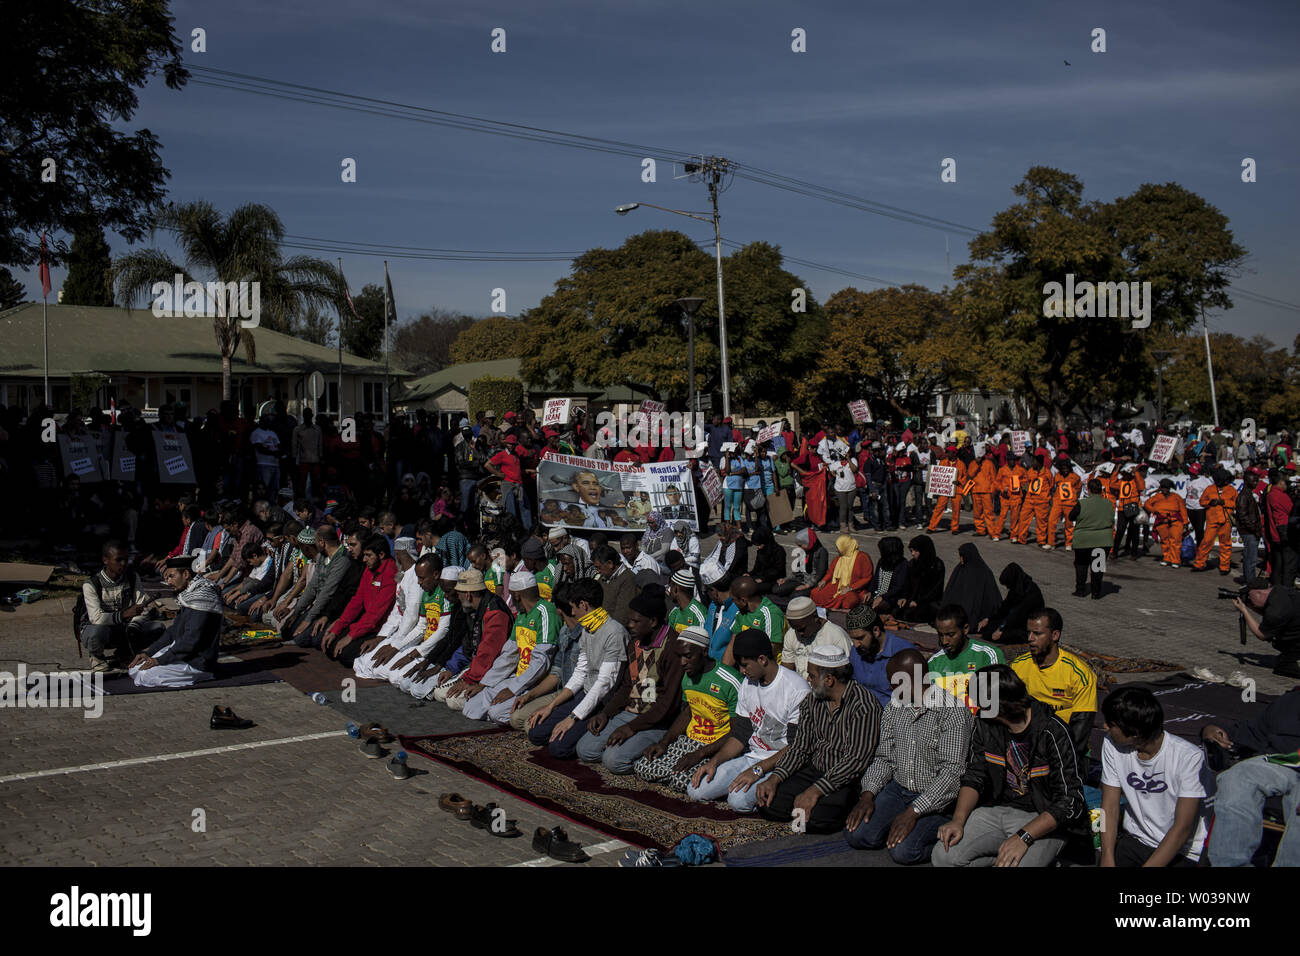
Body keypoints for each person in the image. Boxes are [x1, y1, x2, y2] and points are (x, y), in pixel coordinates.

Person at [931, 665, 1086, 867]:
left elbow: (1071, 801)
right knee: (943, 856)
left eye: (979, 704)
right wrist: (958, 820)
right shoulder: (984, 725)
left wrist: (1024, 837)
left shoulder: (1052, 732)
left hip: (1040, 819)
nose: (976, 709)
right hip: (995, 811)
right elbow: (975, 775)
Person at [845, 648, 974, 864]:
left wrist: (913, 812)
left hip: (937, 799)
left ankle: (951, 834)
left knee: (904, 851)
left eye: (894, 683)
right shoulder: (894, 708)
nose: (890, 688)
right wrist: (867, 794)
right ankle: (895, 827)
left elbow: (951, 774)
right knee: (857, 834)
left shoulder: (952, 712)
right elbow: (885, 757)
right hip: (899, 788)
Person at [755, 645, 882, 833]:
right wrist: (776, 777)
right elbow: (800, 747)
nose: (808, 680)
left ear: (829, 680)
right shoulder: (812, 700)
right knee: (768, 803)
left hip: (844, 779)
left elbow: (856, 761)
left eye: (812, 676)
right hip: (814, 770)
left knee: (818, 818)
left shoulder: (864, 706)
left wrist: (816, 790)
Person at [687, 630, 811, 811]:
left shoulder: (796, 689)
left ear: (762, 659)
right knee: (695, 790)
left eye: (745, 665)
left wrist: (758, 770)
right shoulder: (748, 684)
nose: (742, 671)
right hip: (751, 757)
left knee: (737, 801)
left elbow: (795, 747)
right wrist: (714, 762)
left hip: (780, 764)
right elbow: (740, 734)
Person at [1098, 686, 1213, 867]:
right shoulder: (1111, 744)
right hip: (1136, 841)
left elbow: (1182, 827)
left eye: (1111, 724)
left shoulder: (1188, 757)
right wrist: (1107, 857)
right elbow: (1109, 807)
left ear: (1134, 733)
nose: (1105, 727)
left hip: (1180, 851)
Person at [577, 589, 684, 772]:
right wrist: (607, 713)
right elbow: (628, 685)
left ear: (653, 622)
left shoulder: (672, 647)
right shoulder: (635, 643)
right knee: (585, 750)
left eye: (636, 621)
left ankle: (655, 758)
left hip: (657, 720)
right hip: (631, 713)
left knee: (613, 761)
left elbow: (668, 703)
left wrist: (630, 728)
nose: (630, 625)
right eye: (630, 620)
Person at [632, 625, 742, 792]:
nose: (682, 662)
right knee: (643, 767)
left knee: (683, 781)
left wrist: (699, 754)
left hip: (715, 746)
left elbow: (737, 732)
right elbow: (688, 712)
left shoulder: (730, 682)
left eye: (688, 656)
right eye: (680, 656)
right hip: (690, 741)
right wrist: (664, 742)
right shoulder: (688, 676)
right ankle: (672, 773)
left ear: (704, 652)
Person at [527, 578, 629, 758]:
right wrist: (551, 706)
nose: (572, 612)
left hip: (603, 702)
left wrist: (572, 718)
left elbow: (604, 684)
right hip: (585, 693)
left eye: (574, 607)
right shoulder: (588, 629)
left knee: (559, 748)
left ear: (584, 605)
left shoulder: (614, 632)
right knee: (536, 733)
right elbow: (580, 673)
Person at [1202, 689, 1300, 866]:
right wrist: (1211, 730)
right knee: (1237, 777)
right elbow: (1249, 731)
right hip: (1284, 760)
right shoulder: (1291, 702)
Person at [462, 571, 560, 723]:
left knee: (496, 712)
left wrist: (513, 689)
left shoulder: (546, 612)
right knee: (470, 706)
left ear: (517, 596)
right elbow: (509, 654)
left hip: (536, 682)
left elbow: (542, 660)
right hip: (517, 676)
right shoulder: (522, 615)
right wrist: (483, 684)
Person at [1011, 608, 1097, 758]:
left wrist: (1059, 759)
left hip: (1067, 750)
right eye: (1029, 632)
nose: (1030, 638)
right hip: (1028, 745)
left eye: (1037, 633)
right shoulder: (1018, 666)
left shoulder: (1079, 673)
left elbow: (1081, 729)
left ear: (1055, 635)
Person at [128, 556, 223, 689]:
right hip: (183, 654)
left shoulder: (203, 596)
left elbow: (191, 640)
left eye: (171, 576)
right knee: (134, 669)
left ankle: (203, 676)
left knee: (144, 676)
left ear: (185, 574)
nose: (168, 581)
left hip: (197, 662)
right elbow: (173, 631)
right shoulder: (189, 594)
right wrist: (149, 653)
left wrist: (159, 660)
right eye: (167, 578)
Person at [80, 540, 167, 673]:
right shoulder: (91, 584)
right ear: (105, 560)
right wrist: (123, 615)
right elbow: (96, 618)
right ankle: (96, 656)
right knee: (96, 632)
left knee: (158, 628)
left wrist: (134, 626)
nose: (124, 564)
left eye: (126, 559)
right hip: (101, 631)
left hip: (124, 629)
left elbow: (142, 607)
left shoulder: (132, 577)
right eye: (118, 560)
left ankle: (124, 653)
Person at [927, 604, 1005, 710]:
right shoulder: (934, 662)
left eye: (950, 635)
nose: (944, 641)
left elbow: (998, 698)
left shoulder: (987, 655)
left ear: (965, 629)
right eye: (941, 635)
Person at [846, 603, 916, 707]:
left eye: (860, 638)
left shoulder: (905, 654)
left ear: (876, 631)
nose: (855, 645)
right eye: (853, 639)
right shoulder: (857, 651)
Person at [1232, 579, 1300, 678]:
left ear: (1258, 593)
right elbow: (1273, 619)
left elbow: (1262, 634)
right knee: (1283, 656)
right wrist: (1251, 606)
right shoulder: (1280, 590)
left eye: (1249, 596)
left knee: (1283, 667)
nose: (1249, 599)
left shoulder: (1275, 611)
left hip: (1297, 642)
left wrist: (1244, 611)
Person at [781, 596, 852, 680]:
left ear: (815, 617)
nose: (800, 633)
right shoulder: (791, 634)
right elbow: (787, 669)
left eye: (802, 629)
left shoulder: (836, 635)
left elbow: (846, 672)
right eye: (795, 629)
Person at [940, 543, 1001, 638]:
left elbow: (992, 600)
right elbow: (950, 593)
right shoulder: (960, 569)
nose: (960, 559)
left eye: (962, 556)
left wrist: (987, 618)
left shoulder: (984, 572)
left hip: (977, 618)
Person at [1069, 477, 1115, 600]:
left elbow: (1071, 516)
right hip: (1102, 540)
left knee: (1081, 565)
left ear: (1088, 490)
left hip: (1083, 540)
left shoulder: (1082, 503)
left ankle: (1080, 590)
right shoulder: (1108, 503)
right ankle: (1096, 593)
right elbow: (1111, 519)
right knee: (1097, 568)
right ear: (1101, 490)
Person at [1191, 467, 1238, 575]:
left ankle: (1224, 567)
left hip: (1226, 520)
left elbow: (1236, 504)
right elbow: (1202, 501)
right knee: (1206, 542)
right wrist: (1210, 503)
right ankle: (1199, 564)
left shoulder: (1232, 490)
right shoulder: (1209, 489)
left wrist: (1224, 502)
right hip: (1212, 520)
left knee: (1225, 544)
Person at [810, 534, 873, 610]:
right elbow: (831, 572)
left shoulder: (862, 557)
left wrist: (850, 588)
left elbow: (867, 577)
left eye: (838, 547)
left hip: (856, 589)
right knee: (816, 592)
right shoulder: (839, 558)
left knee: (849, 600)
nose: (837, 550)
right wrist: (824, 580)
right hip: (837, 585)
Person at [894, 534, 945, 625]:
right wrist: (904, 597)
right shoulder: (912, 564)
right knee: (897, 609)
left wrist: (918, 602)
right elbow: (907, 584)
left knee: (918, 614)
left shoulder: (936, 565)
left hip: (929, 602)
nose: (913, 554)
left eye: (916, 551)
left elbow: (935, 591)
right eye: (911, 551)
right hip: (912, 600)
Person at [986, 563, 1044, 643]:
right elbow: (1005, 607)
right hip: (1015, 622)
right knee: (989, 627)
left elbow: (1017, 614)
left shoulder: (1031, 592)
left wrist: (1001, 629)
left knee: (1000, 635)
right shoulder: (1016, 588)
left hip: (1026, 626)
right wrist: (988, 618)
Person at [1144, 477, 1189, 568]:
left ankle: (1175, 560)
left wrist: (1185, 522)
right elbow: (1147, 504)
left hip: (1175, 520)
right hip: (1161, 521)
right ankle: (1166, 558)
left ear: (1169, 488)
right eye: (1163, 487)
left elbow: (1182, 509)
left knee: (1175, 541)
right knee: (1165, 541)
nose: (1164, 489)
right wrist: (1154, 510)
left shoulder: (1176, 497)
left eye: (1166, 487)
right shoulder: (1157, 497)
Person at [772, 527, 826, 599]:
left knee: (795, 595)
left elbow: (820, 574)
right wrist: (785, 579)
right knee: (776, 589)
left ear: (808, 542)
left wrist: (806, 586)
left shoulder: (822, 552)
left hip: (813, 585)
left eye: (800, 545)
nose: (799, 548)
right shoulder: (804, 551)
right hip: (800, 580)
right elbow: (797, 572)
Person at [865, 535, 910, 616]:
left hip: (892, 597)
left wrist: (883, 597)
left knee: (879, 606)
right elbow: (876, 579)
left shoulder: (903, 564)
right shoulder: (882, 561)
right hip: (878, 594)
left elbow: (898, 587)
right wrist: (870, 592)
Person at [1043, 456, 1082, 549]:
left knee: (1069, 524)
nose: (1065, 470)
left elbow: (1078, 488)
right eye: (1063, 468)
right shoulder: (1057, 476)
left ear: (1070, 468)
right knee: (1051, 521)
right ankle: (1050, 543)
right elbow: (1055, 486)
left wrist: (1074, 497)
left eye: (1066, 468)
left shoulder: (1076, 477)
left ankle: (1069, 543)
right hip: (1058, 502)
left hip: (1069, 503)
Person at [1015, 457, 1053, 546]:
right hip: (1029, 499)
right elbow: (1027, 480)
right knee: (1023, 519)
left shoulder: (1047, 473)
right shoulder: (1030, 471)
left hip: (1042, 501)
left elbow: (1051, 484)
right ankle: (1021, 539)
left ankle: (1041, 541)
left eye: (1034, 461)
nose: (1032, 463)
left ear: (1039, 463)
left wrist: (1045, 495)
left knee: (1041, 522)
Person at [927, 446, 965, 534]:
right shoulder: (943, 462)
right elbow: (939, 475)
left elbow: (965, 477)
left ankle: (955, 528)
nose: (947, 454)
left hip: (957, 490)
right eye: (946, 452)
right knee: (939, 507)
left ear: (954, 453)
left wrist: (959, 482)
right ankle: (931, 527)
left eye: (948, 452)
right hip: (945, 489)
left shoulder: (961, 464)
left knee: (956, 509)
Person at [1235, 470, 1264, 585]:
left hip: (1251, 530)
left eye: (1257, 481)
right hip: (1249, 531)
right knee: (1251, 558)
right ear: (1247, 482)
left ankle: (1249, 579)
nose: (1256, 483)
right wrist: (1254, 529)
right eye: (1254, 481)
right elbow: (1243, 516)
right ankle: (1250, 581)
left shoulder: (1249, 494)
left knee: (1250, 557)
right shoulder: (1243, 496)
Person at [291, 407, 323, 500]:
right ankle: (302, 500)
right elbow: (294, 445)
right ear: (304, 416)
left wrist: (321, 457)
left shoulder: (317, 429)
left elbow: (320, 444)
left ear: (312, 416)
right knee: (302, 483)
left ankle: (316, 500)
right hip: (303, 460)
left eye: (309, 415)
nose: (308, 417)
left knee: (316, 482)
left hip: (316, 459)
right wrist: (294, 459)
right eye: (306, 415)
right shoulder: (298, 429)